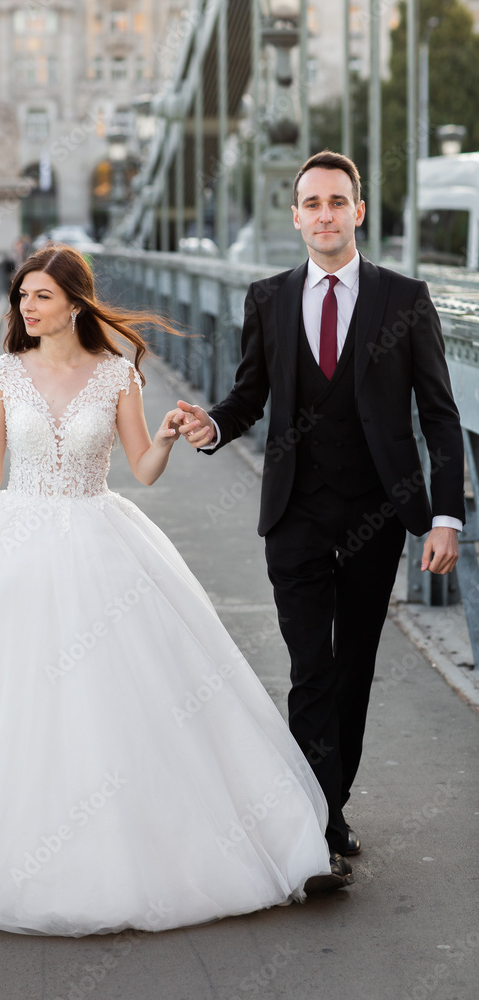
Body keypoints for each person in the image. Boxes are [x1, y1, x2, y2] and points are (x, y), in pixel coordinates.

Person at [0, 243, 336, 938]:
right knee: (5, 702)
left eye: (40, 297)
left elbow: (143, 468)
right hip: (13, 544)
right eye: (21, 299)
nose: (26, 309)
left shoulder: (117, 376)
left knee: (115, 699)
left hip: (99, 537)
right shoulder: (2, 373)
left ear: (75, 301)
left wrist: (165, 434)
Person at [177, 150, 466, 890]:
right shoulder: (267, 299)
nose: (325, 214)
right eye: (311, 203)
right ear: (297, 215)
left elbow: (438, 415)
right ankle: (319, 830)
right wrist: (211, 427)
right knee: (311, 666)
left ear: (357, 212)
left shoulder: (404, 298)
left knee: (354, 669)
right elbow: (247, 397)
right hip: (295, 514)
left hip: (376, 511)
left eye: (338, 201)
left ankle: (328, 805)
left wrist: (444, 515)